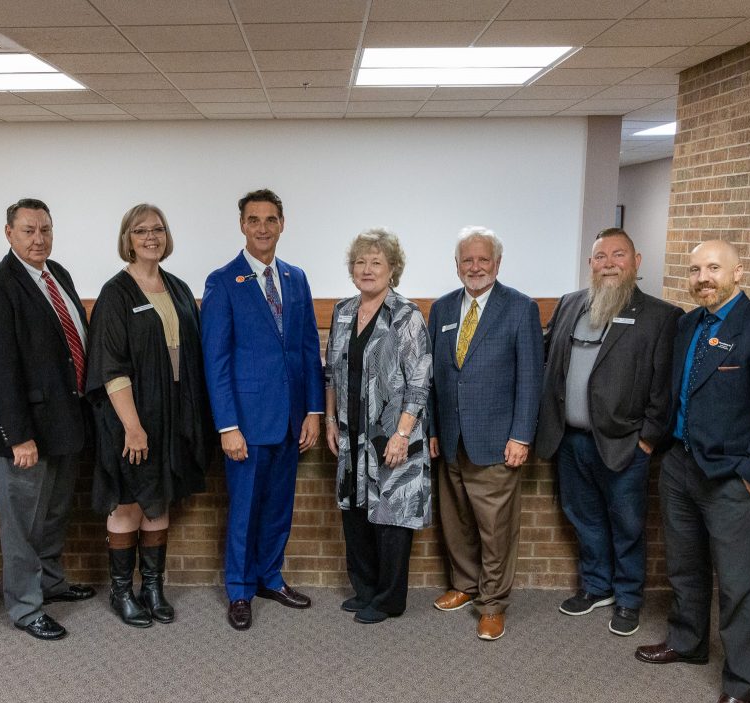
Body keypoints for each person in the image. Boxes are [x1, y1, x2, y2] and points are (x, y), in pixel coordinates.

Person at [636, 240, 750, 703]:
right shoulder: (687, 325)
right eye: (695, 269)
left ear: (738, 273)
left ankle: (741, 686)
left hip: (732, 478)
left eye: (713, 268)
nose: (703, 277)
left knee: (738, 585)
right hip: (681, 467)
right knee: (685, 569)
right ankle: (687, 643)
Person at [535, 228, 682, 636]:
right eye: (601, 256)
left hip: (624, 443)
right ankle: (597, 587)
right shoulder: (569, 305)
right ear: (591, 264)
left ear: (637, 262)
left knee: (627, 522)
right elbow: (548, 359)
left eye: (619, 255)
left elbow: (665, 388)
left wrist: (648, 440)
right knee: (584, 518)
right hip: (570, 440)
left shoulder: (661, 316)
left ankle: (629, 598)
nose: (610, 263)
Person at [0, 198, 95, 642]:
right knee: (23, 523)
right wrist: (19, 436)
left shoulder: (57, 274)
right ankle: (25, 607)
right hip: (26, 433)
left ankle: (50, 582)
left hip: (65, 422)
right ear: (8, 233)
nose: (38, 238)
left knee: (53, 514)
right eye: (28, 230)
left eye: (45, 229)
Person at [202, 188, 325, 631]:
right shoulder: (223, 280)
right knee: (245, 509)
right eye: (254, 220)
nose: (262, 228)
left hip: (291, 420)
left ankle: (270, 576)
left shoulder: (296, 278)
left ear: (282, 224)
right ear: (242, 225)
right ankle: (239, 590)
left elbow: (309, 349)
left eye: (270, 219)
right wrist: (228, 425)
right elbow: (215, 360)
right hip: (247, 424)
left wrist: (313, 411)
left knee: (278, 507)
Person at [86, 203, 212, 628]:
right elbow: (110, 366)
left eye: (157, 229)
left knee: (159, 499)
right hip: (130, 420)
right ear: (128, 239)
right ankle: (122, 592)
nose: (151, 237)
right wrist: (133, 427)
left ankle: (153, 587)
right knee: (127, 502)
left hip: (170, 415)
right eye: (141, 231)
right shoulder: (116, 293)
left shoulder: (176, 287)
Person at [427, 226, 543, 641]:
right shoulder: (441, 310)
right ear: (456, 265)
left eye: (483, 259)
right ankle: (464, 585)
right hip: (452, 439)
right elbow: (438, 378)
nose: (475, 267)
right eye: (467, 260)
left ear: (497, 263)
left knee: (494, 529)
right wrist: (435, 429)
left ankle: (492, 603)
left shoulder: (519, 308)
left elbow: (531, 378)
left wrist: (521, 436)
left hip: (497, 440)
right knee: (455, 521)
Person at [324, 228, 431, 624]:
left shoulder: (407, 315)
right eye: (360, 262)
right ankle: (365, 589)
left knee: (390, 516)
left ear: (392, 269)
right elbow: (332, 374)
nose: (367, 269)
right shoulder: (343, 311)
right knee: (355, 511)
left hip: (392, 435)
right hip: (351, 435)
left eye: (377, 263)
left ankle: (388, 599)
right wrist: (331, 422)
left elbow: (419, 381)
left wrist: (403, 434)